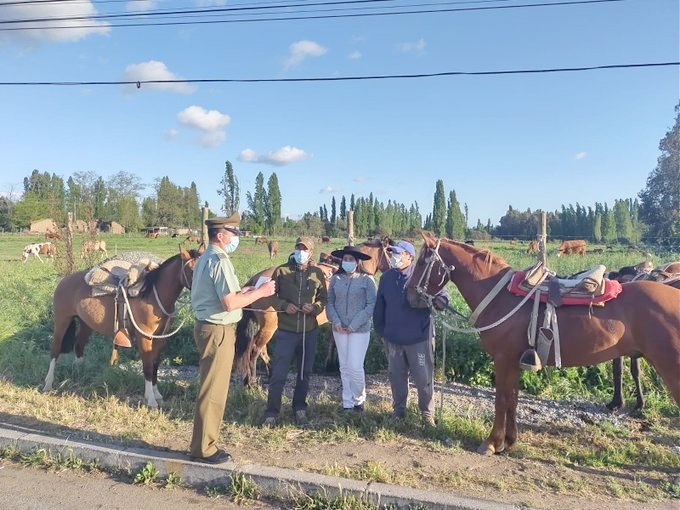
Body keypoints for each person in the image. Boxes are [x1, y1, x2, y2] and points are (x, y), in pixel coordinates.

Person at [189, 213, 276, 464]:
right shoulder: (220, 260)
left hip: (208, 327)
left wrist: (244, 292)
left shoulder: (206, 257)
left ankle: (202, 444)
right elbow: (229, 304)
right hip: (218, 330)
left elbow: (224, 294)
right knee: (214, 390)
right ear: (220, 235)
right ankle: (204, 449)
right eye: (233, 232)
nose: (236, 237)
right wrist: (260, 292)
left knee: (210, 387)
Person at [373, 240, 448, 426]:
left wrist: (442, 301)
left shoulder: (422, 274)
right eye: (392, 253)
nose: (394, 257)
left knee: (423, 379)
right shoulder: (386, 278)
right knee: (396, 377)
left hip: (419, 338)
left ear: (410, 257)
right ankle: (398, 411)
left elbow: (443, 292)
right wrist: (381, 331)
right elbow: (379, 307)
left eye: (398, 253)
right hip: (393, 338)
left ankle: (426, 414)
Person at [262, 236, 328, 427]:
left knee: (303, 373)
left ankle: (299, 408)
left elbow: (324, 298)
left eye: (305, 249)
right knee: (278, 373)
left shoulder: (317, 273)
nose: (301, 252)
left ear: (311, 253)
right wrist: (283, 305)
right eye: (298, 248)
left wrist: (315, 308)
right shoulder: (281, 271)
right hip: (286, 331)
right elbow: (271, 296)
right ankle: (272, 412)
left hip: (309, 332)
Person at [326, 245, 377, 412]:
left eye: (351, 260)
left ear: (357, 262)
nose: (347, 262)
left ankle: (359, 398)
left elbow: (371, 305)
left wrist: (354, 324)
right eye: (345, 259)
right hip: (339, 328)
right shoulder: (336, 279)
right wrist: (336, 321)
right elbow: (330, 301)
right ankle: (347, 402)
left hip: (359, 330)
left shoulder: (367, 280)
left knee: (355, 366)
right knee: (344, 366)